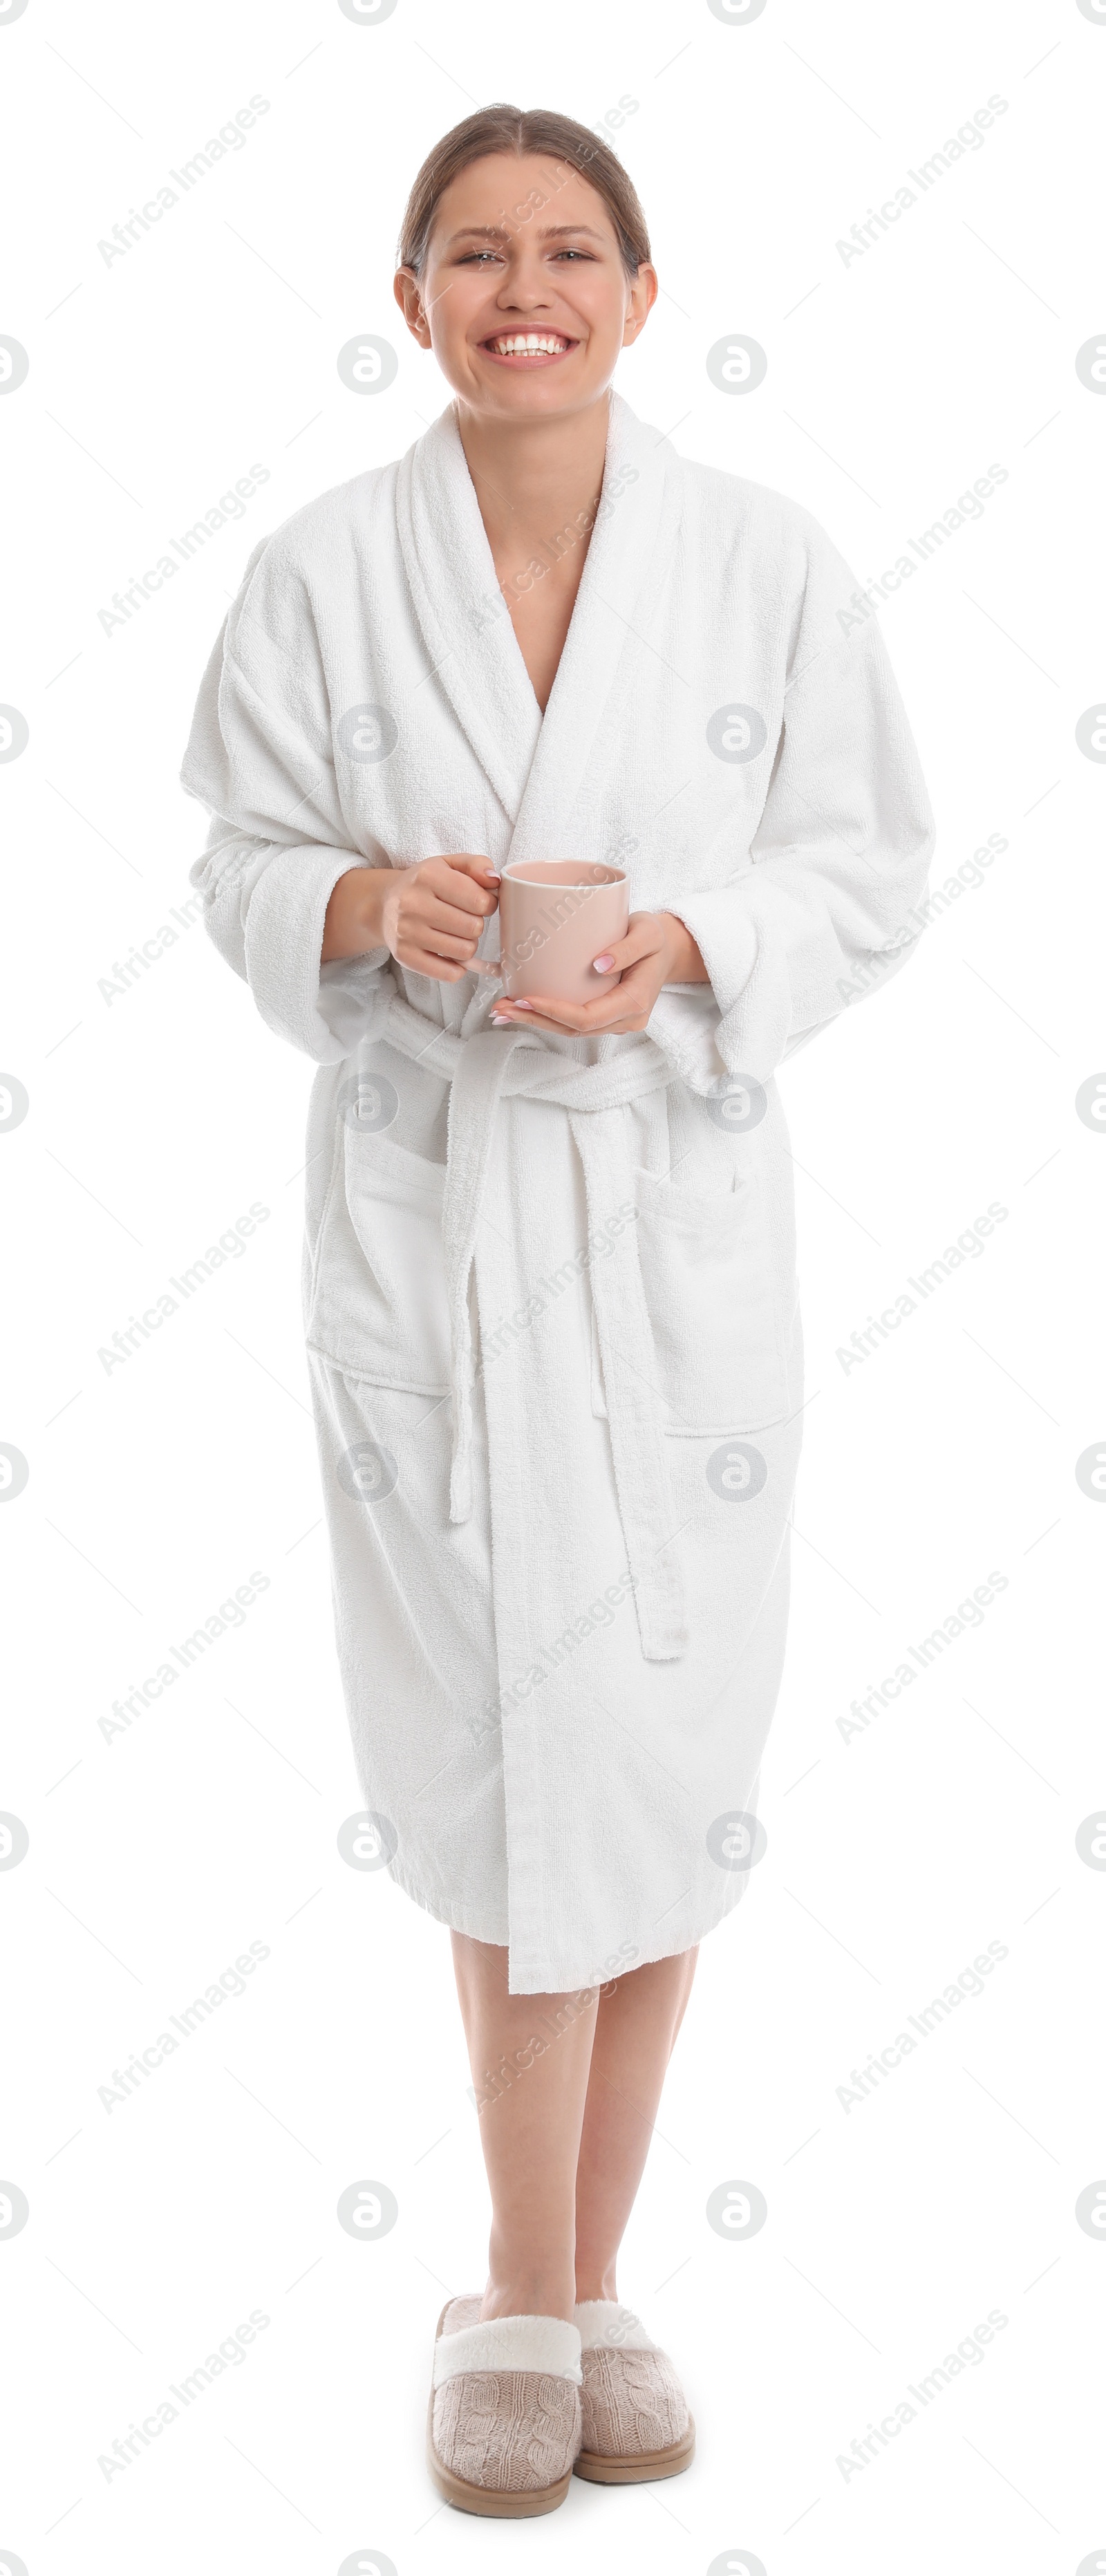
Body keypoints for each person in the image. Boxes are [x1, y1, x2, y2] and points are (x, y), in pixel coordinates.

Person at [181, 102, 934, 2518]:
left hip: (674, 1228)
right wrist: (355, 906)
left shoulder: (767, 566)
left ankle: (567, 2285)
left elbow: (870, 860)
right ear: (411, 303)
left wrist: (698, 949)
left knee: (657, 1746)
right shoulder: (317, 572)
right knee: (509, 1745)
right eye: (477, 255)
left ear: (635, 288)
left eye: (574, 250)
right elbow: (240, 852)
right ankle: (525, 2284)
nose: (530, 288)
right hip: (428, 1225)